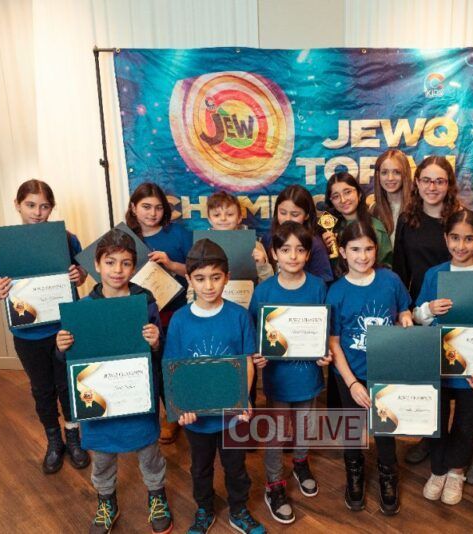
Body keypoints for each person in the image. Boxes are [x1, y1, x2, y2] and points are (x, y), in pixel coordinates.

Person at [56, 229, 172, 534]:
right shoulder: (83, 308)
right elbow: (70, 362)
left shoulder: (144, 301)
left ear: (134, 267)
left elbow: (160, 350)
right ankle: (106, 500)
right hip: (99, 398)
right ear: (97, 264)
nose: (117, 270)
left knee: (148, 450)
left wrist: (156, 341)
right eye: (110, 262)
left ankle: (156, 494)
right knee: (103, 455)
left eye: (125, 263)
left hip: (137, 393)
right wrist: (61, 347)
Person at [0, 179, 90, 474]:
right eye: (31, 205)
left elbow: (82, 274)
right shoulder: (5, 245)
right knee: (42, 390)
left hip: (64, 328)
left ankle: (74, 437)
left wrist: (79, 274)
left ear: (52, 208)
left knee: (68, 386)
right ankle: (54, 440)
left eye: (44, 206)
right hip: (28, 333)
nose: (37, 212)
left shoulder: (67, 239)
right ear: (17, 205)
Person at [165, 239, 266, 534]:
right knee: (200, 467)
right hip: (197, 417)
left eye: (215, 277)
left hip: (231, 413)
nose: (208, 285)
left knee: (235, 465)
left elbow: (247, 361)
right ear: (189, 279)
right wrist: (180, 407)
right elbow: (174, 368)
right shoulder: (180, 320)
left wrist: (243, 398)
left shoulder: (239, 316)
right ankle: (204, 508)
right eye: (200, 278)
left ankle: (239, 509)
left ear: (227, 277)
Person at [326, 221, 412, 515]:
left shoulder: (391, 280)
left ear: (377, 249)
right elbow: (334, 343)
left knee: (385, 427)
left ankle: (388, 472)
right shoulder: (336, 292)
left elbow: (403, 309)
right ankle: (354, 471)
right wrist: (351, 383)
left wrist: (405, 318)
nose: (362, 256)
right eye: (355, 249)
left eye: (368, 249)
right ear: (342, 252)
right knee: (353, 427)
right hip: (350, 373)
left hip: (386, 371)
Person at [249, 222, 333, 524]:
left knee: (305, 426)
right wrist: (257, 355)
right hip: (277, 380)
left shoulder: (318, 287)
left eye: (300, 250)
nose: (293, 256)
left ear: (308, 254)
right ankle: (274, 483)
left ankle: (300, 462)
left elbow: (325, 329)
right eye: (285, 250)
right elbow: (253, 332)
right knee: (276, 433)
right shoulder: (264, 291)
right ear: (274, 253)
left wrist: (325, 353)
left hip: (309, 377)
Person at [412, 209, 473, 505]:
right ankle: (437, 470)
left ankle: (456, 471)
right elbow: (416, 317)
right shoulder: (434, 274)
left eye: (469, 239)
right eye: (455, 238)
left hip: (471, 369)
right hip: (436, 364)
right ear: (446, 239)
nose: (461, 246)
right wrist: (428, 309)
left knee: (465, 422)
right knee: (435, 419)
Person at [392, 156, 461, 466]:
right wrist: (404, 310)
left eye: (440, 181)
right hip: (421, 312)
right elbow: (400, 269)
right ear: (417, 183)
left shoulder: (458, 219)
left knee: (460, 384)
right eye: (427, 180)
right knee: (430, 382)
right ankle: (430, 438)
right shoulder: (408, 220)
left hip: (456, 309)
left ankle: (466, 444)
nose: (433, 187)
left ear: (449, 185)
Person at [125, 181, 193, 444]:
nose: (152, 213)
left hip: (175, 310)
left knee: (174, 363)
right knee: (149, 366)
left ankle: (177, 413)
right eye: (146, 207)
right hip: (140, 312)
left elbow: (197, 270)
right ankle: (159, 414)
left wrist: (171, 264)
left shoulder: (179, 234)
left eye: (158, 208)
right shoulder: (125, 237)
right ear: (134, 207)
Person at [262, 184, 333, 283]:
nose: (287, 219)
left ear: (307, 215)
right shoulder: (268, 238)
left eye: (294, 214)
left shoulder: (315, 244)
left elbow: (324, 280)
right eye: (283, 213)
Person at [322, 172, 393, 269]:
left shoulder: (375, 227)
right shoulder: (331, 230)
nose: (343, 200)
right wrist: (326, 250)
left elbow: (387, 265)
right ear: (331, 202)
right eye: (336, 196)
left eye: (347, 192)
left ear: (359, 194)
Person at [206, 191, 274, 283]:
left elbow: (268, 283)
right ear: (209, 219)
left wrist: (262, 264)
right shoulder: (201, 247)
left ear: (239, 218)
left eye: (230, 214)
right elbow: (195, 282)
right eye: (217, 215)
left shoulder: (255, 246)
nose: (223, 219)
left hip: (248, 291)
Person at [370, 149, 413, 243]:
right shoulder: (374, 210)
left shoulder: (417, 208)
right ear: (378, 175)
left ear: (405, 174)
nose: (390, 178)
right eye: (384, 172)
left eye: (396, 172)